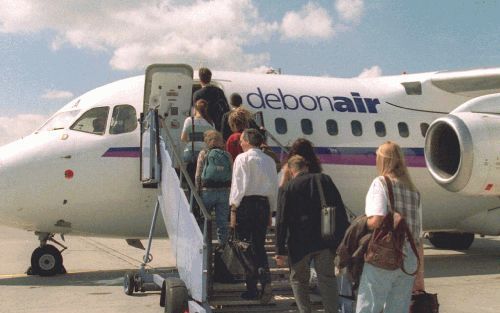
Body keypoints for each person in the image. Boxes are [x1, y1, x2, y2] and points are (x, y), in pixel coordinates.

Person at [276, 155, 348, 313]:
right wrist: (342, 240)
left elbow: (281, 221)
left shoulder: (288, 187)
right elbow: (340, 210)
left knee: (298, 281)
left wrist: (280, 250)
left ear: (291, 169)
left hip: (299, 243)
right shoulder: (324, 180)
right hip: (324, 240)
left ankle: (305, 310)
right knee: (327, 280)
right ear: (306, 166)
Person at [356, 141, 422, 313]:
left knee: (369, 305)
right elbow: (418, 235)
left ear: (382, 160)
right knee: (398, 308)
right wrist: (419, 274)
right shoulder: (414, 191)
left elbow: (376, 220)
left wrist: (361, 222)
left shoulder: (381, 183)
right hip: (409, 258)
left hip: (386, 254)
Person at [229, 128, 278, 302]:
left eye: (241, 140)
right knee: (259, 246)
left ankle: (252, 287)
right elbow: (273, 189)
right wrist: (271, 214)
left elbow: (238, 186)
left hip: (246, 205)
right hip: (264, 205)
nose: (240, 143)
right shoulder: (269, 161)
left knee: (242, 245)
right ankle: (265, 281)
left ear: (248, 141)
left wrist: (233, 209)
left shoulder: (242, 159)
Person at [195, 130, 232, 245]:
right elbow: (232, 172)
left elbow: (198, 174)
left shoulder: (204, 153)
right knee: (222, 222)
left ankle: (205, 245)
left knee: (204, 219)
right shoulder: (227, 155)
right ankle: (223, 247)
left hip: (207, 191)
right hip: (224, 191)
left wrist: (198, 190)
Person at [181, 99, 214, 181]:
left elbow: (183, 138)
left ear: (195, 109)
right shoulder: (210, 123)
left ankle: (191, 190)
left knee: (190, 175)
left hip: (190, 153)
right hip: (204, 152)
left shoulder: (189, 120)